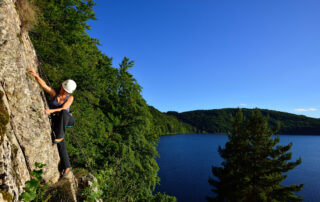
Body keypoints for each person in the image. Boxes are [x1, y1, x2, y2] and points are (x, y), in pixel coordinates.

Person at [28, 67, 77, 177]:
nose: (65, 92)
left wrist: (50, 111)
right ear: (62, 86)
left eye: (67, 91)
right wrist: (36, 75)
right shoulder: (54, 93)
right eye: (64, 89)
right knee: (60, 141)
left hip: (67, 119)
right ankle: (67, 166)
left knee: (64, 112)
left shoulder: (70, 98)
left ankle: (60, 135)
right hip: (57, 120)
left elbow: (63, 108)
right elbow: (44, 85)